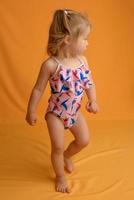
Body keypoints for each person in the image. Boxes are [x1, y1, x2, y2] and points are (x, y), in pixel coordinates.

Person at [25, 9, 99, 193]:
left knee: (83, 140)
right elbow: (38, 89)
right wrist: (31, 111)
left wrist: (93, 100)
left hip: (74, 111)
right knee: (57, 146)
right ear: (68, 39)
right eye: (84, 39)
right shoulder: (51, 65)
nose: (87, 43)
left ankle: (66, 156)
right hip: (56, 113)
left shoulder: (83, 61)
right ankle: (60, 176)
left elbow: (89, 82)